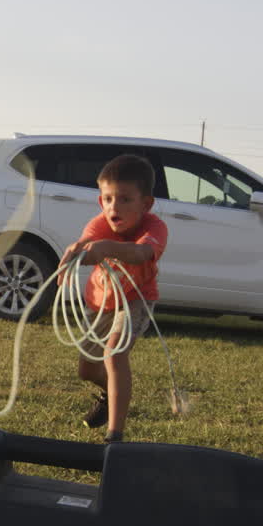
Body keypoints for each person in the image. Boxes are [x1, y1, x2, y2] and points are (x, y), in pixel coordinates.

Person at [58, 154, 168, 442]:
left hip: (135, 299)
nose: (114, 207)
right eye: (107, 199)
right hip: (100, 301)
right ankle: (111, 393)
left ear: (146, 204)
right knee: (87, 369)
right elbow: (84, 243)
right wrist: (76, 252)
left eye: (125, 199)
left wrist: (107, 247)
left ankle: (114, 436)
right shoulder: (99, 224)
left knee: (114, 353)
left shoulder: (154, 228)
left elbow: (141, 253)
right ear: (100, 201)